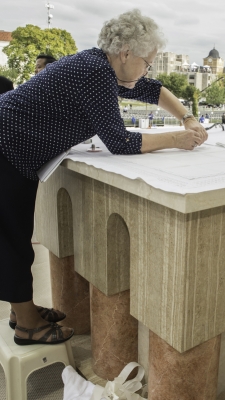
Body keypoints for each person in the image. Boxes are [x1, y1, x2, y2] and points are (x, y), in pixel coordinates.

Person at [0, 9, 207, 346]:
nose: (147, 69)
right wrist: (176, 139)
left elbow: (152, 90)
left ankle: (22, 310)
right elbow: (121, 142)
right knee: (11, 240)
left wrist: (186, 117)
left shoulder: (99, 65)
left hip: (11, 146)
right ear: (126, 53)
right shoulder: (96, 72)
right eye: (147, 61)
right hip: (5, 146)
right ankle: (27, 324)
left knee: (17, 234)